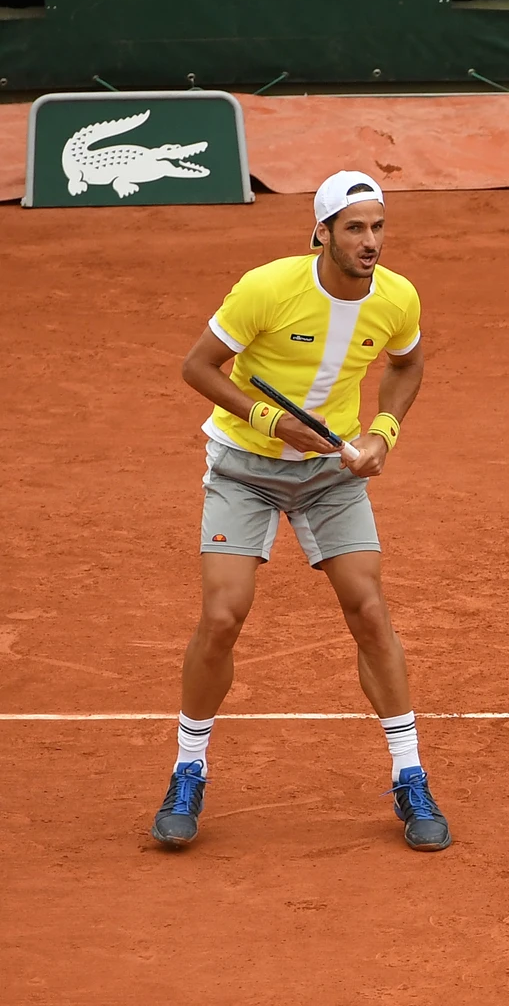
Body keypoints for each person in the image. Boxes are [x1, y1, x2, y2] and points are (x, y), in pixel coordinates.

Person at [151, 171, 450, 849]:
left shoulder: (397, 297)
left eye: (377, 226)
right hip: (244, 468)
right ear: (322, 232)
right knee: (223, 614)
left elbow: (407, 364)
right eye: (354, 227)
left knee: (369, 607)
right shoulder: (267, 288)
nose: (369, 241)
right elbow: (198, 367)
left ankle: (410, 776)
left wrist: (383, 433)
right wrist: (267, 419)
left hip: (329, 473)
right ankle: (187, 769)